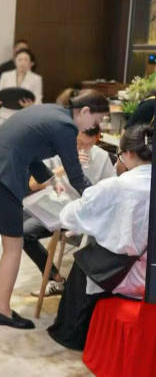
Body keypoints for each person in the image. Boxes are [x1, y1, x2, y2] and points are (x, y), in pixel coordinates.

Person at [0, 89, 109, 329]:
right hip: (1, 176)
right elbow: (76, 176)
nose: (96, 125)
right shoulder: (66, 127)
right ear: (85, 111)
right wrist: (102, 202)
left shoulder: (51, 111)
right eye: (97, 119)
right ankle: (2, 310)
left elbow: (26, 152)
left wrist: (51, 180)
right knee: (13, 245)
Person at [48, 124, 151, 350]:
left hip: (123, 275)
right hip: (150, 275)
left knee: (84, 260)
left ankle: (75, 335)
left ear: (128, 153)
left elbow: (71, 217)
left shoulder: (117, 186)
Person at [23, 125, 116, 297]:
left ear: (96, 139)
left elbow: (111, 192)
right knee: (23, 233)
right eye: (78, 142)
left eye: (87, 144)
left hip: (84, 213)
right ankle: (56, 279)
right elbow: (32, 184)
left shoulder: (102, 158)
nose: (81, 148)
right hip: (56, 208)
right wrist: (65, 168)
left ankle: (82, 293)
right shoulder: (58, 152)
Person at [0, 48, 43, 125]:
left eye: (25, 60)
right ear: (15, 62)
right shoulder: (5, 75)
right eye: (19, 59)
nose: (22, 63)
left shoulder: (36, 79)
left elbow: (38, 100)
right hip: (5, 116)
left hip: (26, 117)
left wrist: (31, 105)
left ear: (31, 63)